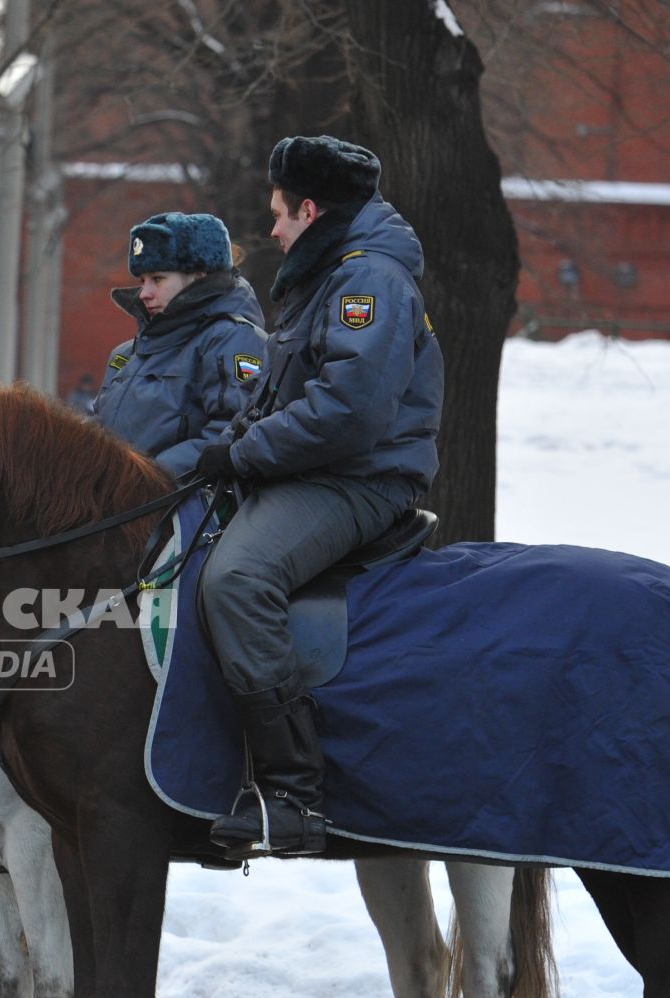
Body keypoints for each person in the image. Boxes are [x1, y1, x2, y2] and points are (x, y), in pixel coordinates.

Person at [193, 135, 442, 856]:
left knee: (238, 578)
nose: (271, 230)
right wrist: (223, 453)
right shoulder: (327, 275)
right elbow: (277, 395)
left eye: (278, 213)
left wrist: (244, 452)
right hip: (311, 470)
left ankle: (291, 794)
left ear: (309, 208)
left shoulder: (371, 282)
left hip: (358, 480)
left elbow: (351, 413)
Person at [91, 212, 266, 476]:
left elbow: (233, 431)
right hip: (117, 506)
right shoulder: (126, 354)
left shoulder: (232, 339)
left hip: (181, 506)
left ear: (199, 275)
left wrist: (147, 477)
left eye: (158, 279)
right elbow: (98, 428)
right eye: (142, 281)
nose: (144, 293)